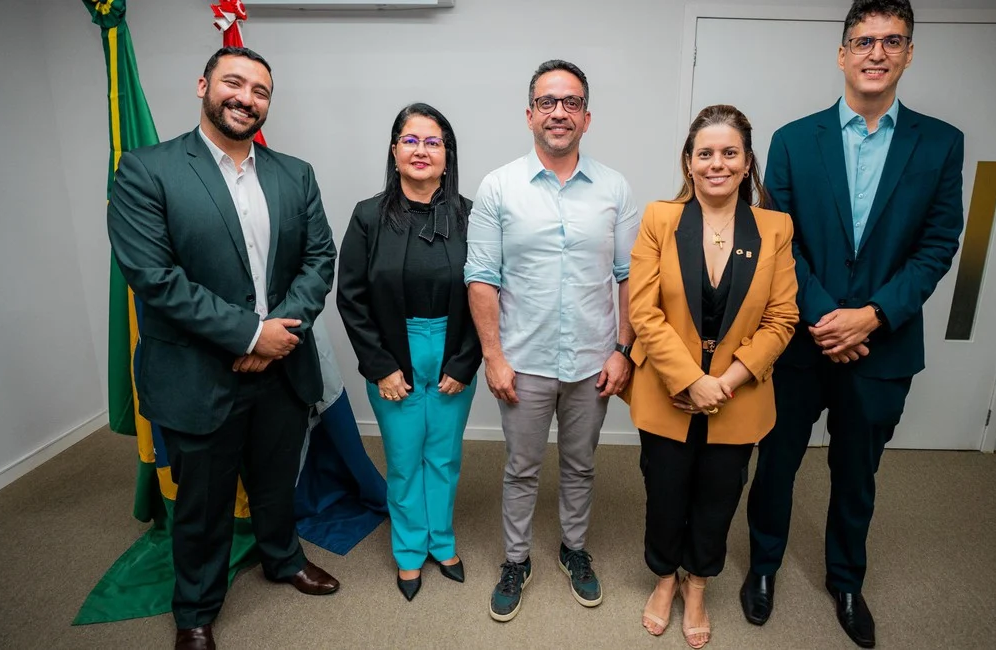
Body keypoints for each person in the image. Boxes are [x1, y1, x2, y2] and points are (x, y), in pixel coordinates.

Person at [741, 1, 965, 647]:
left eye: (892, 41)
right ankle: (762, 567)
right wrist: (824, 317)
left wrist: (869, 317)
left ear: (909, 54)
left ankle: (845, 579)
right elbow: (780, 242)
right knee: (777, 461)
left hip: (883, 344)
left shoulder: (940, 143)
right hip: (799, 343)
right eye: (863, 40)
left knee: (856, 471)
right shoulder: (791, 140)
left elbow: (938, 244)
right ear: (841, 54)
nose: (876, 52)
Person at [107, 46, 340, 650]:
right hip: (196, 374)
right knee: (203, 504)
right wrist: (246, 333)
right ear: (203, 85)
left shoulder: (296, 173)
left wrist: (275, 334)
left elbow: (320, 258)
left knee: (273, 482)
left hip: (282, 366)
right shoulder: (146, 170)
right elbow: (154, 279)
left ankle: (283, 559)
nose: (246, 97)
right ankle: (195, 611)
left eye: (260, 90)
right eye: (234, 83)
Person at [464, 59, 640, 622]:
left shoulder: (614, 188)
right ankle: (515, 560)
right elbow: (481, 278)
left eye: (569, 103)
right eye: (547, 102)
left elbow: (629, 278)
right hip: (524, 359)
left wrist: (623, 350)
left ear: (587, 117)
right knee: (520, 467)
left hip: (594, 361)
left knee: (581, 464)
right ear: (529, 114)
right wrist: (493, 357)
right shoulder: (499, 186)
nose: (558, 113)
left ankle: (573, 549)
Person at [626, 104, 798, 648]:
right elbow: (643, 311)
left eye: (730, 153)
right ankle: (663, 579)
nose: (717, 163)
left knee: (721, 493)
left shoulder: (775, 227)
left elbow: (783, 317)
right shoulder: (660, 218)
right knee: (665, 488)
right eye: (706, 154)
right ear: (689, 161)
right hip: (668, 391)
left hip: (737, 395)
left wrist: (724, 382)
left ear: (748, 163)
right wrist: (688, 379)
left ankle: (697, 583)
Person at [337, 103, 481, 602]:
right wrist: (379, 366)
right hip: (392, 352)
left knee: (443, 457)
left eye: (433, 142)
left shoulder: (470, 214)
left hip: (453, 348)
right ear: (395, 151)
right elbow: (350, 297)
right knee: (402, 459)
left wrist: (465, 360)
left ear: (448, 155)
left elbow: (488, 293)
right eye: (411, 140)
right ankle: (407, 551)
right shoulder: (367, 215)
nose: (422, 150)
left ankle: (441, 542)